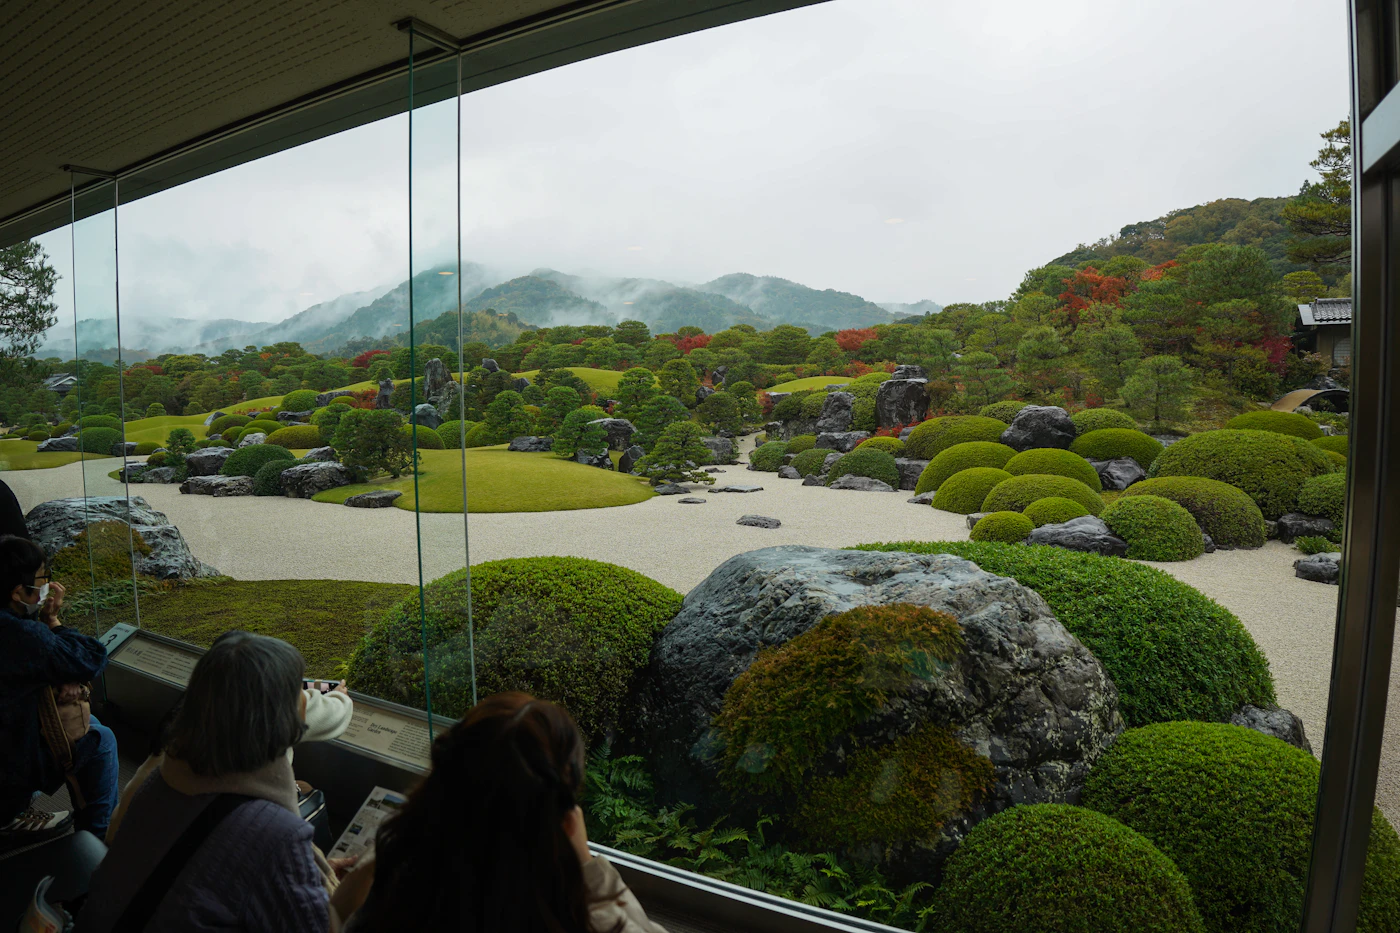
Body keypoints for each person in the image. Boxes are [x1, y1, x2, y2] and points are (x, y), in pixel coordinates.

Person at [336, 692, 667, 933]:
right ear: (561, 820)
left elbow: (337, 916)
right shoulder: (581, 920)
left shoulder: (401, 884)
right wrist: (590, 869)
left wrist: (386, 851)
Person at [77, 631, 330, 933]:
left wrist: (300, 871)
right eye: (298, 693)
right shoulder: (277, 832)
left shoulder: (161, 780)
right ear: (290, 714)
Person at [0, 534, 118, 849]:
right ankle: (95, 845)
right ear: (18, 592)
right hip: (9, 761)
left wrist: (60, 672)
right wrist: (53, 620)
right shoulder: (19, 634)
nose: (48, 585)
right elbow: (93, 657)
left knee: (86, 719)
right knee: (102, 739)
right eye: (43, 579)